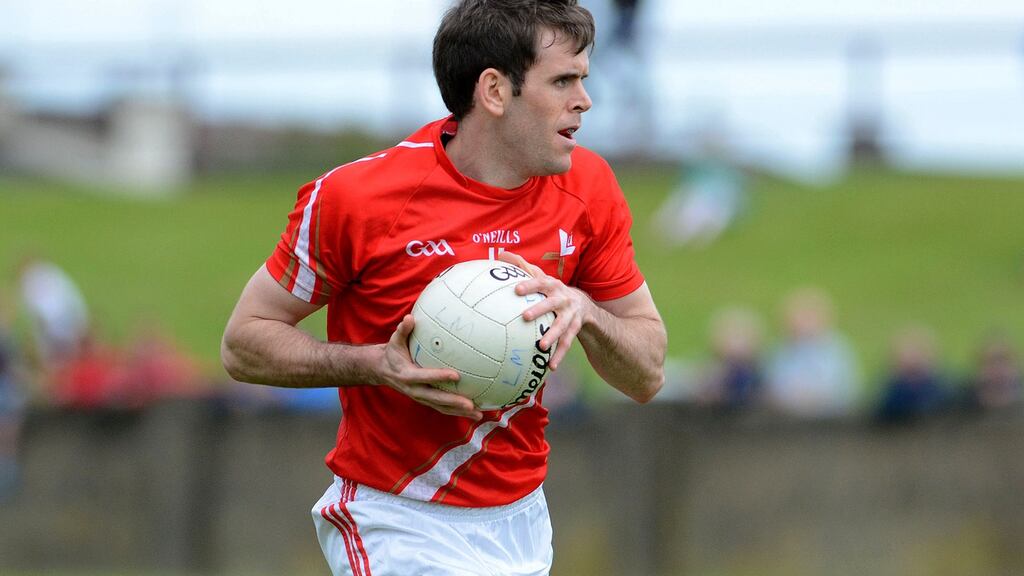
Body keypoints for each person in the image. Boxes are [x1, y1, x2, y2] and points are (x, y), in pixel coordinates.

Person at [220, 2, 667, 575]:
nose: (584, 100)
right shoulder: (356, 199)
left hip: (521, 520)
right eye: (563, 80)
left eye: (584, 78)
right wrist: (374, 364)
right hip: (395, 517)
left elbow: (648, 372)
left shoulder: (591, 190)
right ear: (495, 91)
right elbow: (243, 343)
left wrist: (588, 311)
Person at [764, 287, 859, 418]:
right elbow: (772, 386)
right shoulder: (780, 350)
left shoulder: (838, 348)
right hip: (788, 421)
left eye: (810, 317)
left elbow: (846, 389)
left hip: (831, 421)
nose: (804, 324)